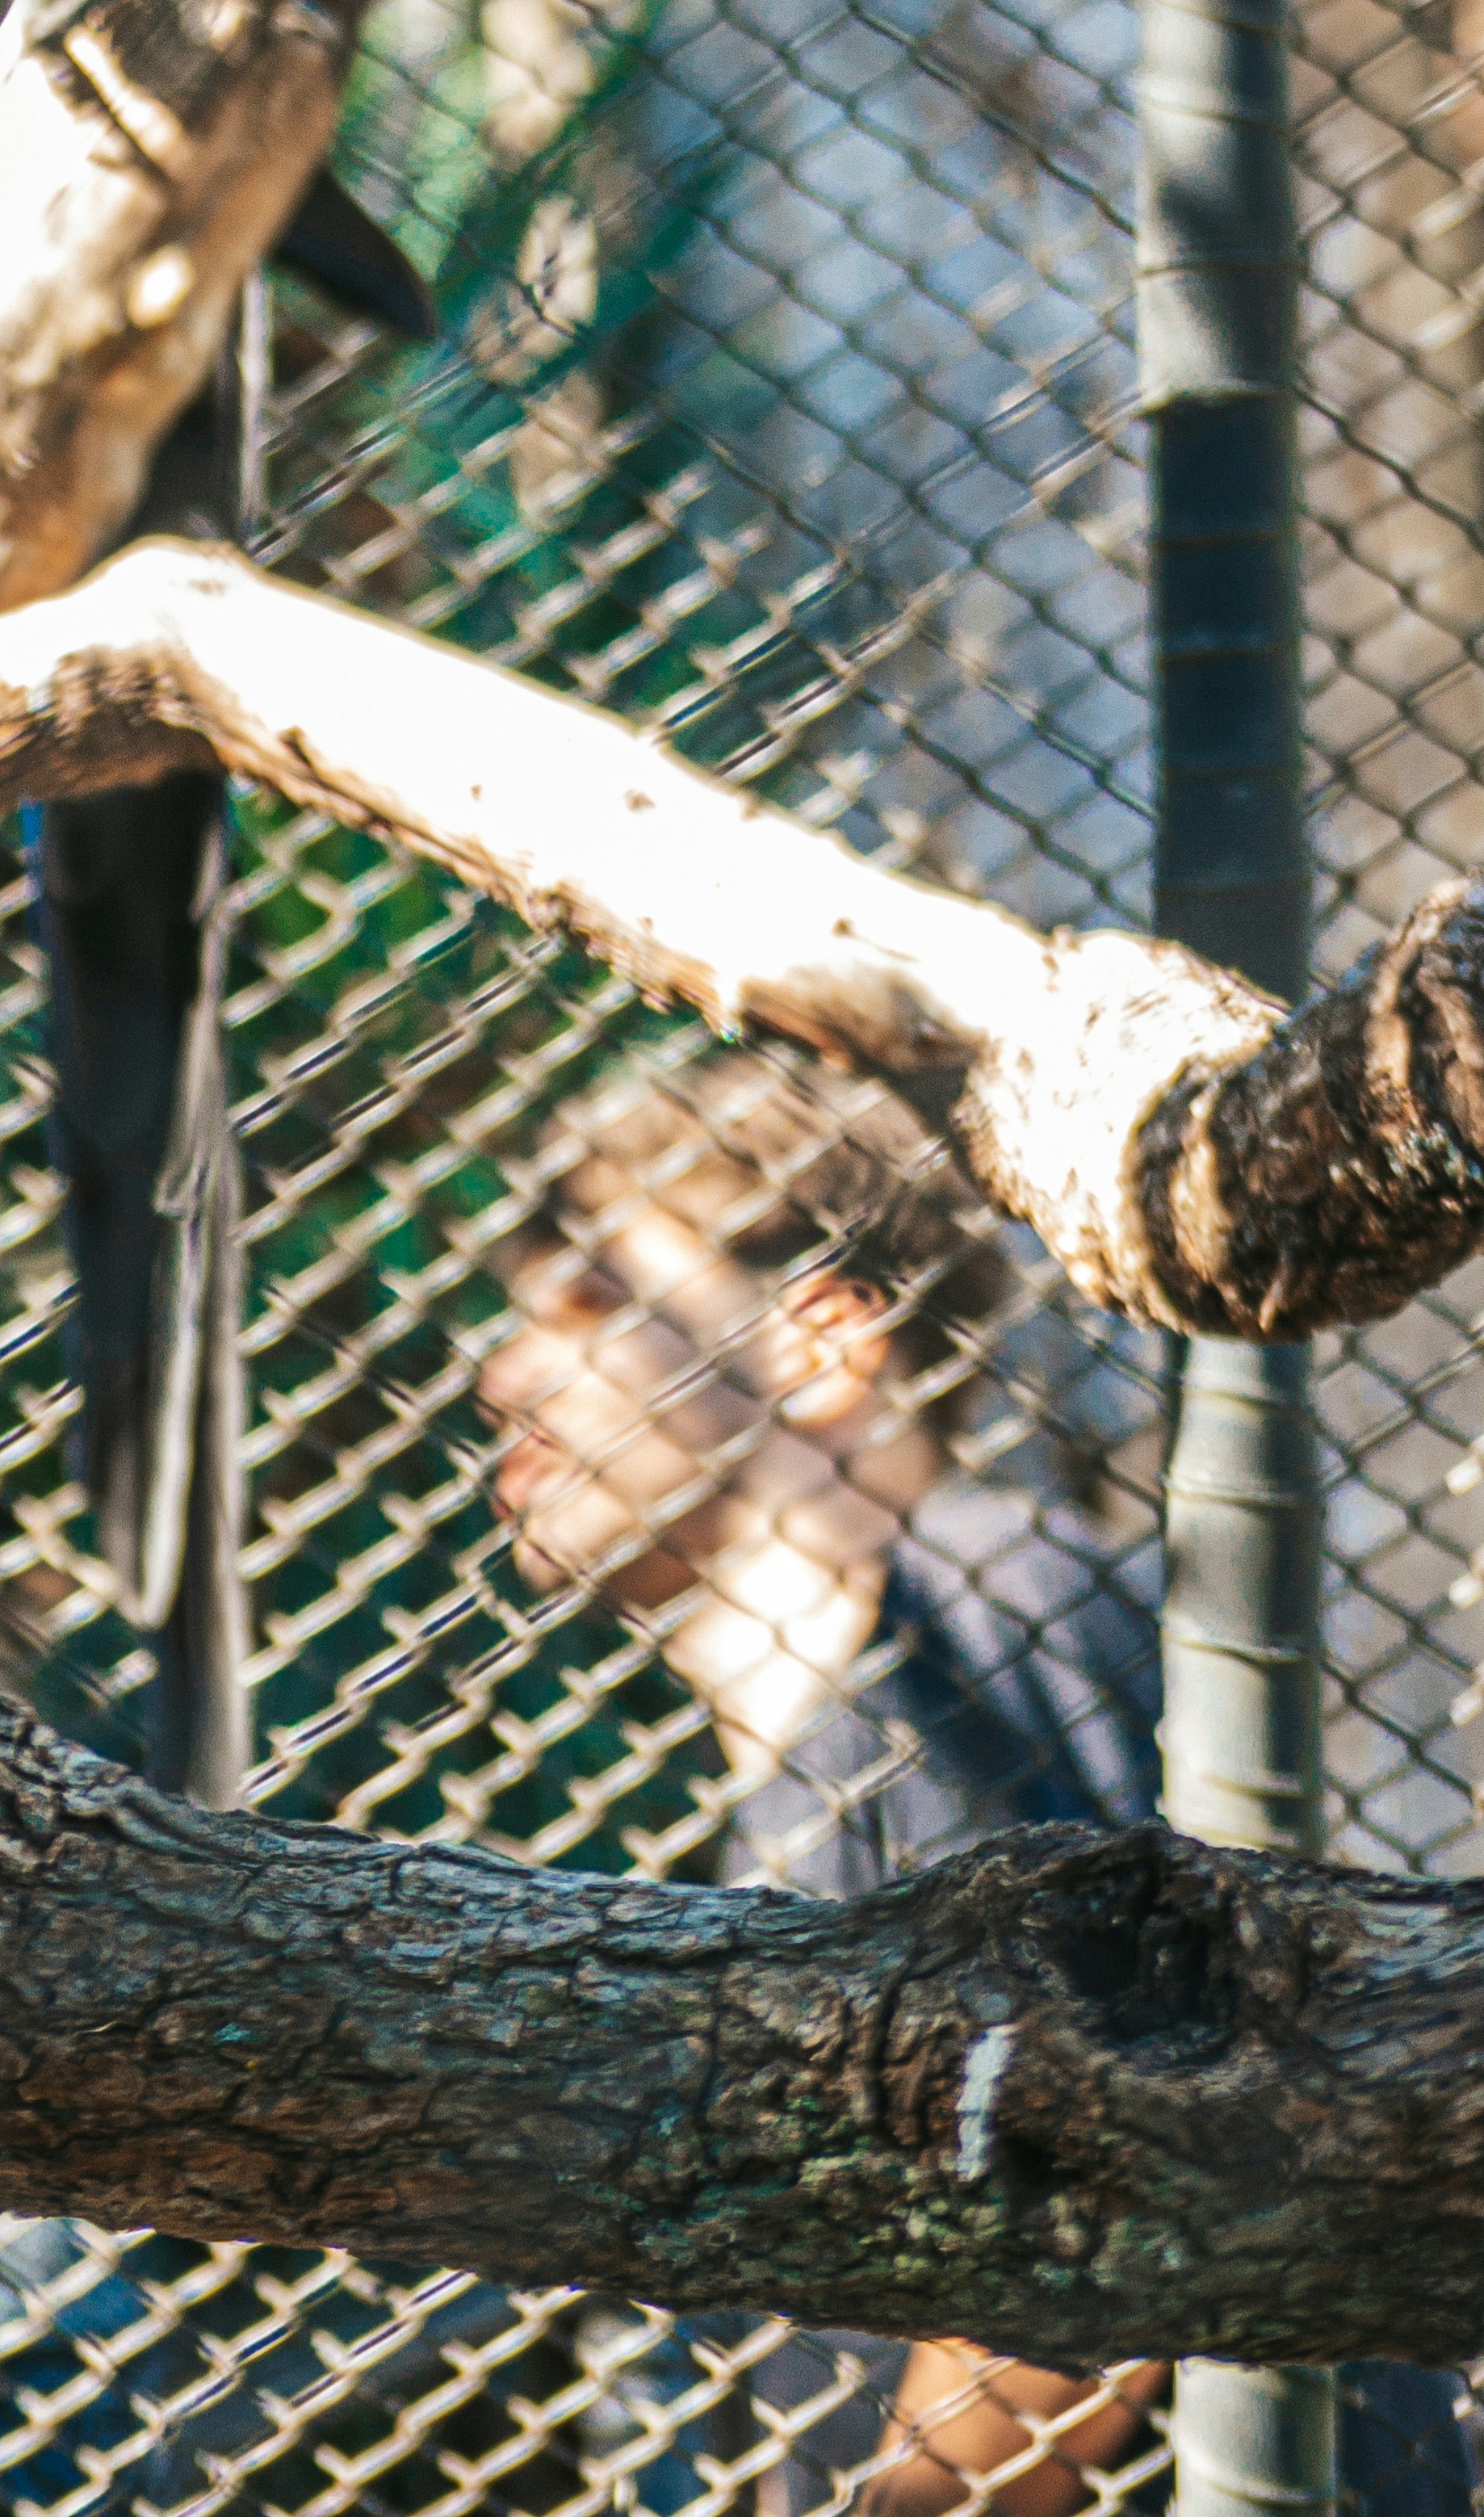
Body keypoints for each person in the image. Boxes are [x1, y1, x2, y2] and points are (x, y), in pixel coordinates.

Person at [478, 1050, 1474, 2517]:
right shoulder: (836, 1733)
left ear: (821, 1342)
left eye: (587, 1303)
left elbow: (1132, 2177)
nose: (504, 1376)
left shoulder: (988, 1621)